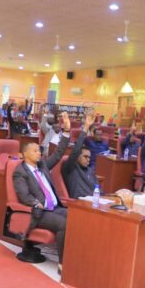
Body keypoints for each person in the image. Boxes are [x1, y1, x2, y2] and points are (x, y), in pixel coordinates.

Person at [12, 112, 71, 273]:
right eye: (35, 151)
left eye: (39, 150)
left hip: (55, 207)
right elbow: (24, 195)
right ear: (25, 155)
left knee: (77, 218)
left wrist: (66, 132)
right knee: (64, 224)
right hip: (39, 211)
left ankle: (75, 256)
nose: (40, 153)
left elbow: (58, 154)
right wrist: (36, 203)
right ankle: (62, 263)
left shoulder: (43, 165)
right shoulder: (20, 172)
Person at [62, 113, 97, 199]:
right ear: (77, 156)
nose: (88, 160)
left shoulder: (90, 171)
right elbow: (75, 150)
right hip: (78, 204)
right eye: (85, 157)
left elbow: (98, 190)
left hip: (94, 202)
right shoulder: (70, 168)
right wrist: (86, 128)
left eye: (89, 157)